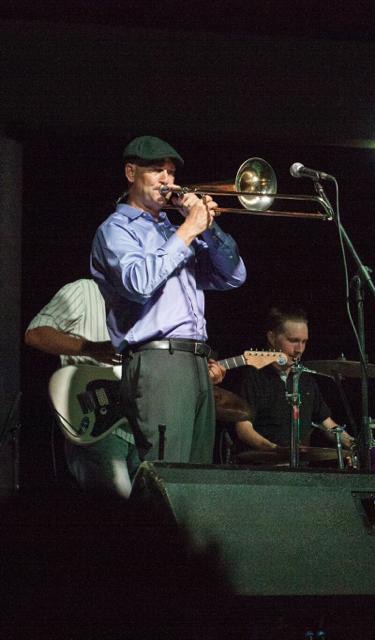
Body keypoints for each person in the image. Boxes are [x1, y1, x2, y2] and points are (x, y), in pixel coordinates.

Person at [90, 135, 245, 465]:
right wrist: (188, 228)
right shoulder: (116, 229)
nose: (167, 180)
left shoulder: (171, 230)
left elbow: (233, 276)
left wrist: (209, 229)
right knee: (167, 471)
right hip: (158, 361)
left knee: (197, 475)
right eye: (156, 170)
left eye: (171, 172)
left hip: (196, 360)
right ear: (131, 173)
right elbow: (138, 283)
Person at [24, 279, 140, 496]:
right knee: (117, 511)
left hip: (139, 429)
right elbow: (36, 333)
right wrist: (89, 348)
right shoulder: (84, 290)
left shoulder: (146, 304)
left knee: (149, 511)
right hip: (97, 425)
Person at [233, 307, 353, 454]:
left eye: (304, 342)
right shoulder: (253, 377)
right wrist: (275, 450)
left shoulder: (305, 380)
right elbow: (243, 428)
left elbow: (327, 424)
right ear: (272, 338)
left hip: (299, 466)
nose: (299, 349)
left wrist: (355, 445)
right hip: (261, 464)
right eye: (293, 340)